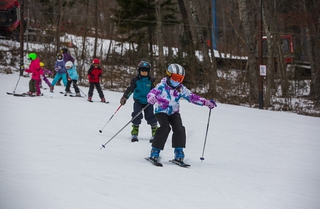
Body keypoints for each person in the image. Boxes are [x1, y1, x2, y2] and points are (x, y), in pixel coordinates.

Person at [146, 63, 217, 163]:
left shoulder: (180, 88)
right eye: (175, 78)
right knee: (165, 128)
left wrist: (206, 102)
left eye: (180, 79)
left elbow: (191, 97)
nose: (177, 81)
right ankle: (155, 151)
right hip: (161, 111)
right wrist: (151, 98)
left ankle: (179, 151)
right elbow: (152, 93)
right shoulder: (161, 86)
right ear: (169, 75)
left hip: (174, 112)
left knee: (179, 128)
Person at [120, 61, 158, 143]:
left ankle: (155, 132)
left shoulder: (151, 80)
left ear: (148, 72)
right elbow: (130, 89)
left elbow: (155, 91)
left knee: (150, 116)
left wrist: (155, 98)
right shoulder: (135, 80)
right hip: (138, 101)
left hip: (148, 102)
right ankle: (134, 132)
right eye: (142, 71)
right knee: (136, 114)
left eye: (146, 71)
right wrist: (124, 97)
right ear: (139, 71)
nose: (144, 72)